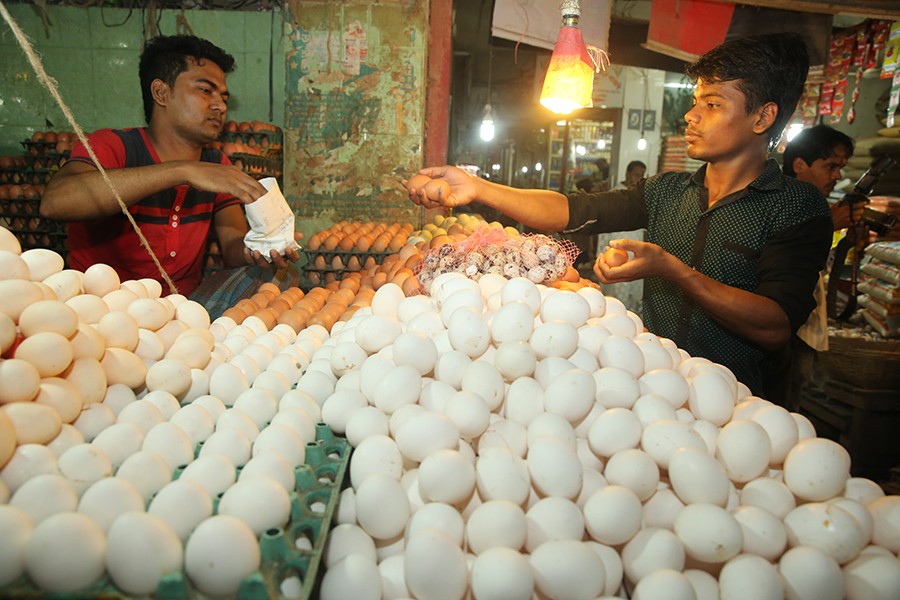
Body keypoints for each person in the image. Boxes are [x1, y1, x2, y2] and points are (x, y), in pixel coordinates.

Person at [406, 33, 833, 400]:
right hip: (656, 391)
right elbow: (572, 210)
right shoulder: (668, 191)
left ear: (762, 116)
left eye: (713, 103)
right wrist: (478, 187)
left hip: (739, 405)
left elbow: (776, 325)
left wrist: (673, 270)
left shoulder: (795, 206)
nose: (691, 114)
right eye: (695, 101)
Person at [40, 35, 298, 296]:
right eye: (205, 90)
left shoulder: (216, 164)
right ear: (161, 93)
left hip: (180, 307)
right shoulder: (114, 146)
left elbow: (232, 246)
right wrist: (182, 171)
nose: (220, 106)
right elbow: (55, 202)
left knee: (279, 280)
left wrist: (257, 249)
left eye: (224, 97)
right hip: (106, 306)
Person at [781, 125, 860, 409]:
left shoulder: (818, 209)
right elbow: (785, 261)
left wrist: (847, 241)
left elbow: (818, 267)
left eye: (840, 167)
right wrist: (828, 224)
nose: (837, 176)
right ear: (799, 165)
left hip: (804, 327)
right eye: (830, 166)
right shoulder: (779, 207)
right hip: (783, 330)